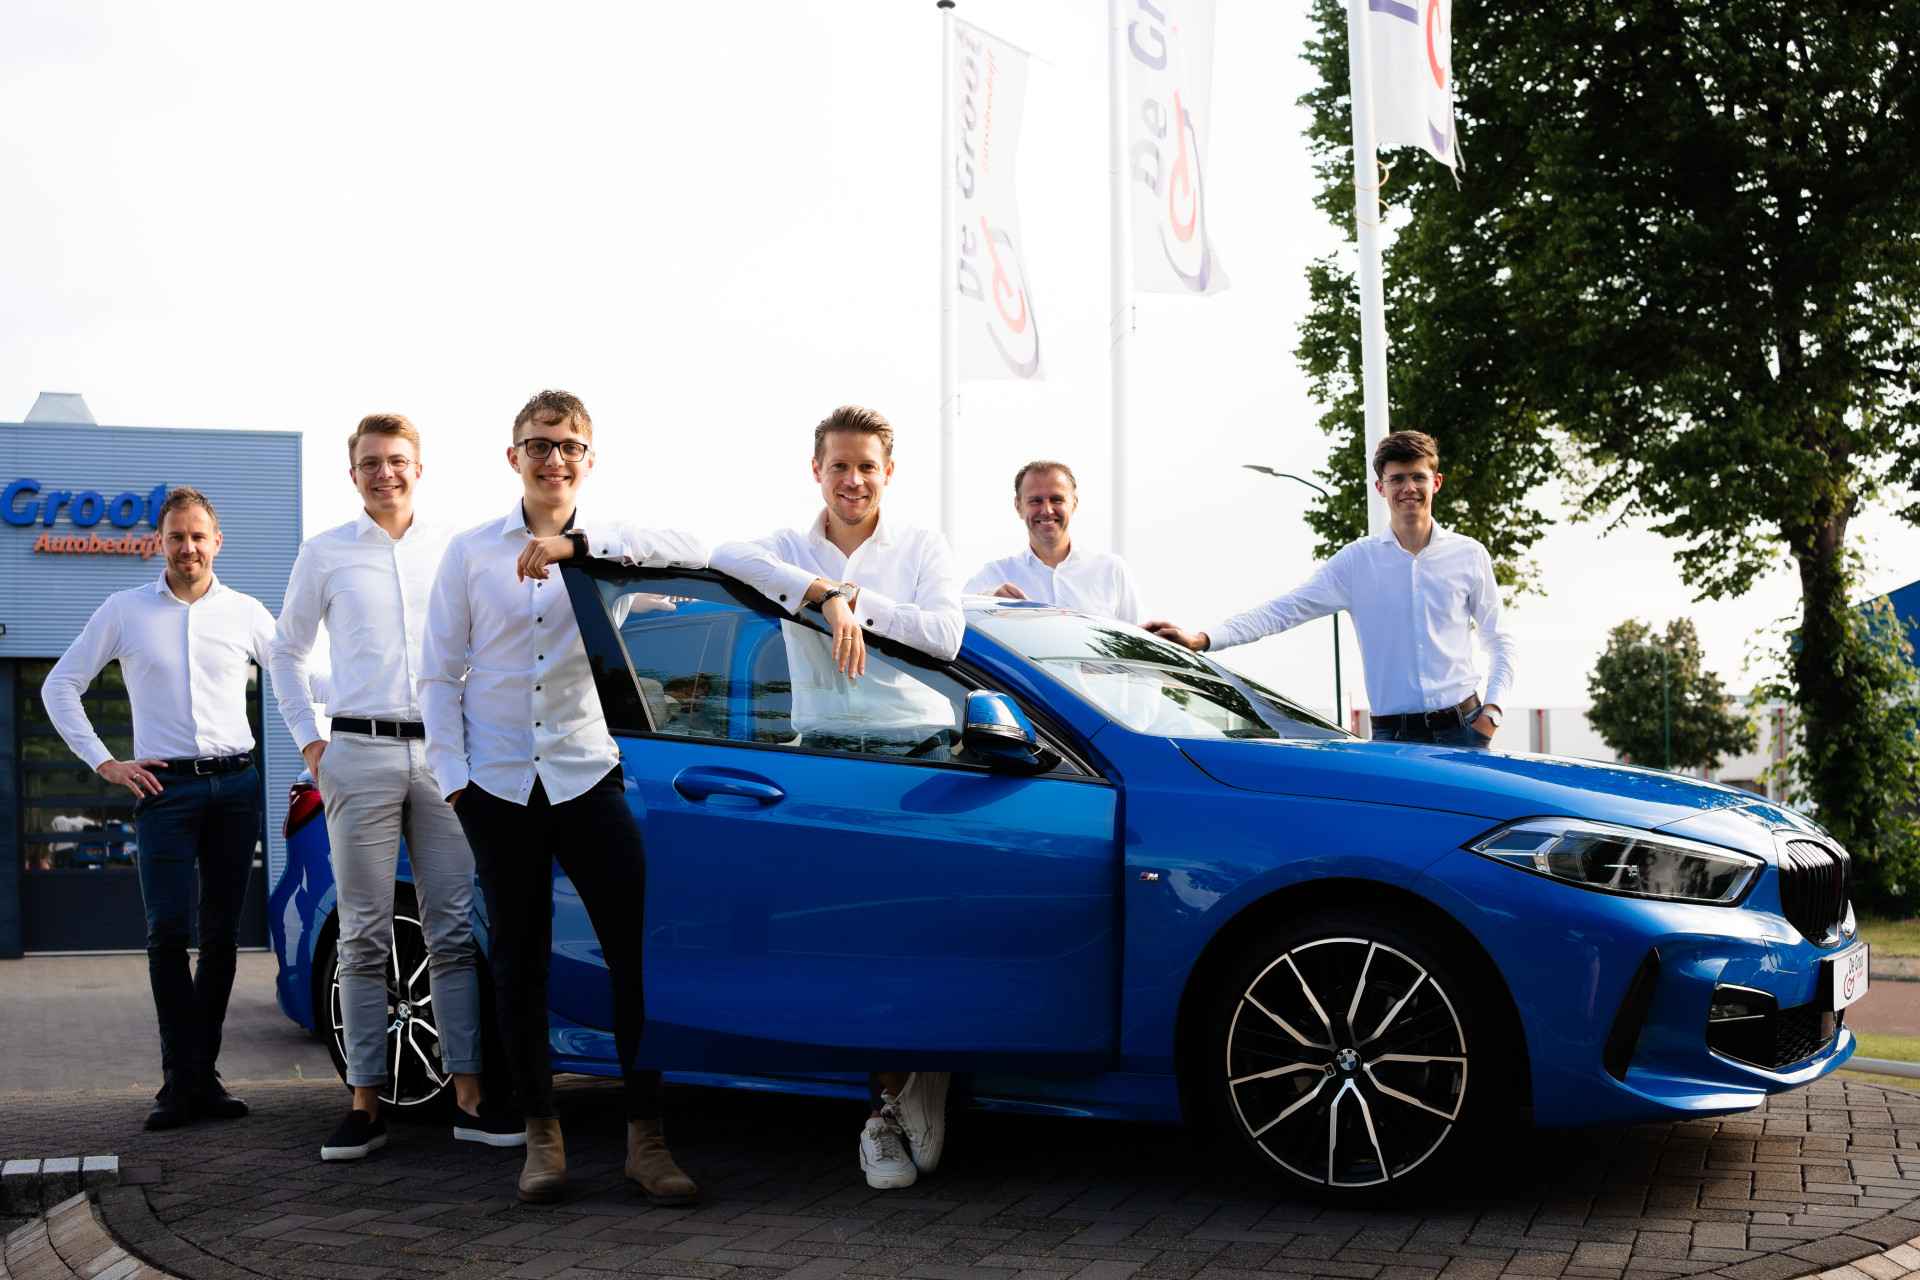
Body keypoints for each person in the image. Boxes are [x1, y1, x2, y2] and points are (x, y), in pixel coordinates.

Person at [419, 389, 707, 1205]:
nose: (555, 458)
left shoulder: (612, 546)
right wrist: (455, 781)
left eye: (570, 445)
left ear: (589, 458)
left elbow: (695, 549)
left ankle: (646, 1140)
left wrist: (575, 546)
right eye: (540, 444)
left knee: (634, 954)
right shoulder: (470, 552)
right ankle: (542, 1138)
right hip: (498, 785)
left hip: (587, 773)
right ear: (514, 456)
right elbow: (438, 673)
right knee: (519, 963)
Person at [710, 404, 961, 1191]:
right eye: (840, 466)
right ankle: (887, 1108)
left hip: (915, 758)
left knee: (914, 939)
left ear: (890, 473)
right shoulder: (787, 548)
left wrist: (854, 603)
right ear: (816, 470)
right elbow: (724, 556)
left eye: (867, 467)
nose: (853, 480)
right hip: (821, 762)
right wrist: (822, 593)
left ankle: (915, 1085)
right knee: (851, 943)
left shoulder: (922, 546)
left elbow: (944, 637)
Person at [273, 412, 521, 1163]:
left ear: (420, 467)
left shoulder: (454, 549)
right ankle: (364, 1105)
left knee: (452, 931)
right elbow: (285, 652)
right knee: (363, 934)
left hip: (443, 757)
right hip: (356, 752)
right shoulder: (325, 553)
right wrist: (311, 743)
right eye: (371, 462)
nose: (385, 473)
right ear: (353, 473)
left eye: (398, 460)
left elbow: (491, 643)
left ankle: (469, 1097)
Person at [42, 487, 279, 1130]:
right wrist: (106, 762)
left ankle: (201, 1077)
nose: (188, 547)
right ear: (159, 543)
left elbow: (300, 674)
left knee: (221, 935)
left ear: (217, 541)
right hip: (163, 791)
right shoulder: (124, 610)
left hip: (235, 786)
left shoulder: (247, 613)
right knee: (168, 933)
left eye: (198, 536)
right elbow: (60, 685)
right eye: (176, 536)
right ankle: (182, 1081)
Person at [1147, 430, 1516, 747]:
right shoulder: (1357, 562)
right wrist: (1203, 638)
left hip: (1464, 731)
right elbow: (1283, 610)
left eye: (1418, 477)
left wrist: (1492, 714)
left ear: (1436, 482)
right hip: (1393, 739)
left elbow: (1499, 639)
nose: (1408, 488)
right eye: (1397, 479)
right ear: (1380, 487)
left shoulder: (1469, 555)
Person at [966, 459, 1144, 623]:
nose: (1047, 510)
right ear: (1018, 506)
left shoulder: (1111, 570)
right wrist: (988, 601)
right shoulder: (994, 575)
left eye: (1057, 499)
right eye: (1035, 501)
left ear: (1074, 504)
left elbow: (1139, 638)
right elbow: (958, 618)